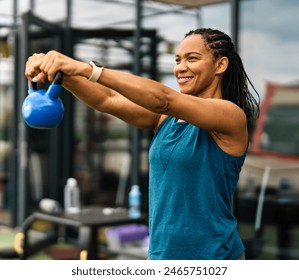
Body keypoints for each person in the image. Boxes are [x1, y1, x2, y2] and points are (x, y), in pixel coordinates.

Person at [25, 28, 260, 260]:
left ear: (220, 65)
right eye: (178, 60)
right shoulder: (166, 119)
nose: (180, 68)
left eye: (192, 58)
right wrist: (63, 75)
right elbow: (106, 99)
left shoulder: (230, 116)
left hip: (214, 258)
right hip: (161, 256)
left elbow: (164, 99)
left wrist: (87, 69)